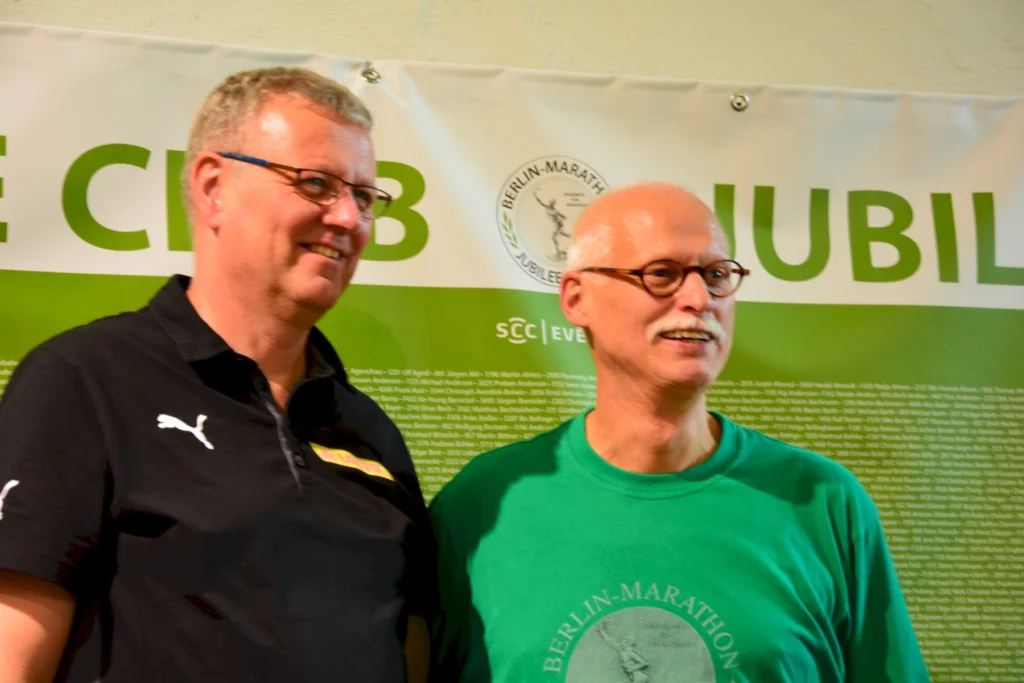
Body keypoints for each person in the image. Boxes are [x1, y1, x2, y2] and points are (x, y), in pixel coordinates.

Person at [0, 67, 435, 683]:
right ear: (213, 186)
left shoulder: (368, 429)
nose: (347, 218)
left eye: (364, 196)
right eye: (315, 184)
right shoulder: (86, 381)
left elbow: (408, 648)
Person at [428, 182, 930, 682]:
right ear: (577, 298)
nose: (697, 298)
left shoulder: (822, 503)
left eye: (716, 274)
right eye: (661, 274)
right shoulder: (481, 505)